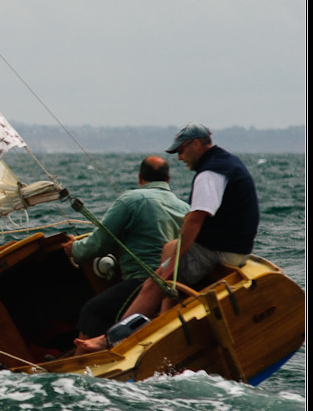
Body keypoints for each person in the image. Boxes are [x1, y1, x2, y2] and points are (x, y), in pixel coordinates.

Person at [74, 123, 259, 353]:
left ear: (195, 144)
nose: (180, 157)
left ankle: (109, 340)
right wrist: (173, 257)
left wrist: (169, 269)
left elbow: (195, 220)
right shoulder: (227, 163)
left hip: (221, 250)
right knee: (170, 248)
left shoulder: (209, 173)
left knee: (156, 281)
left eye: (181, 150)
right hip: (237, 247)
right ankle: (163, 320)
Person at [63, 156, 189, 353]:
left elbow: (101, 241)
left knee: (93, 310)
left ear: (140, 177)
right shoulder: (185, 208)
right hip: (174, 284)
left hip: (143, 281)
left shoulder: (131, 200)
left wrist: (74, 249)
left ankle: (79, 364)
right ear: (168, 178)